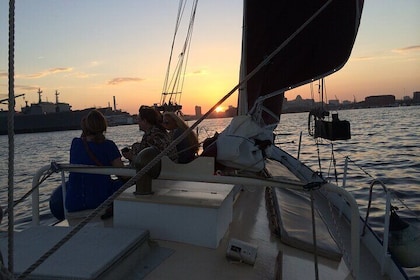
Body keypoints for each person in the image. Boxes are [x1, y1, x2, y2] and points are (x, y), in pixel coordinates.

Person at [50, 109, 125, 219]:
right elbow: (122, 173)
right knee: (130, 183)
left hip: (74, 202)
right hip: (99, 200)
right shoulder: (108, 145)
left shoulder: (75, 143)